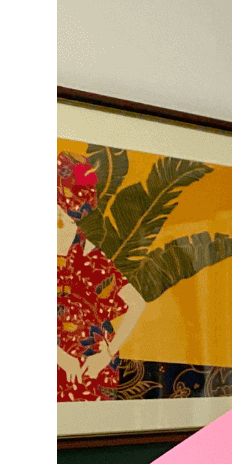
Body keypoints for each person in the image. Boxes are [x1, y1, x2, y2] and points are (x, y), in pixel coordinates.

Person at [57, 151, 146, 401]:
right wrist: (61, 357)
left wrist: (105, 355)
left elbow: (137, 304)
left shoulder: (88, 254)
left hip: (91, 370)